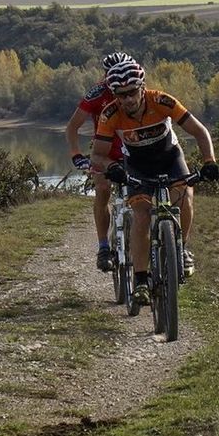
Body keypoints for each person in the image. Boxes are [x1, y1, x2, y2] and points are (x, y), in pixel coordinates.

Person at [89, 57, 219, 312]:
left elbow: (199, 131)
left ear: (142, 87)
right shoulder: (110, 114)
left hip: (170, 158)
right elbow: (97, 155)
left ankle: (182, 249)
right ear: (114, 95)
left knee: (185, 195)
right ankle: (140, 279)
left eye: (132, 92)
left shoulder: (161, 101)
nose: (128, 99)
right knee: (141, 214)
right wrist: (112, 167)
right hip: (137, 164)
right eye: (121, 95)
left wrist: (209, 161)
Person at [65, 52, 135, 273]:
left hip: (134, 150)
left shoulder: (136, 91)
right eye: (112, 74)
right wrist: (76, 154)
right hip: (105, 153)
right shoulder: (97, 93)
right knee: (103, 190)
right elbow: (72, 126)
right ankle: (104, 247)